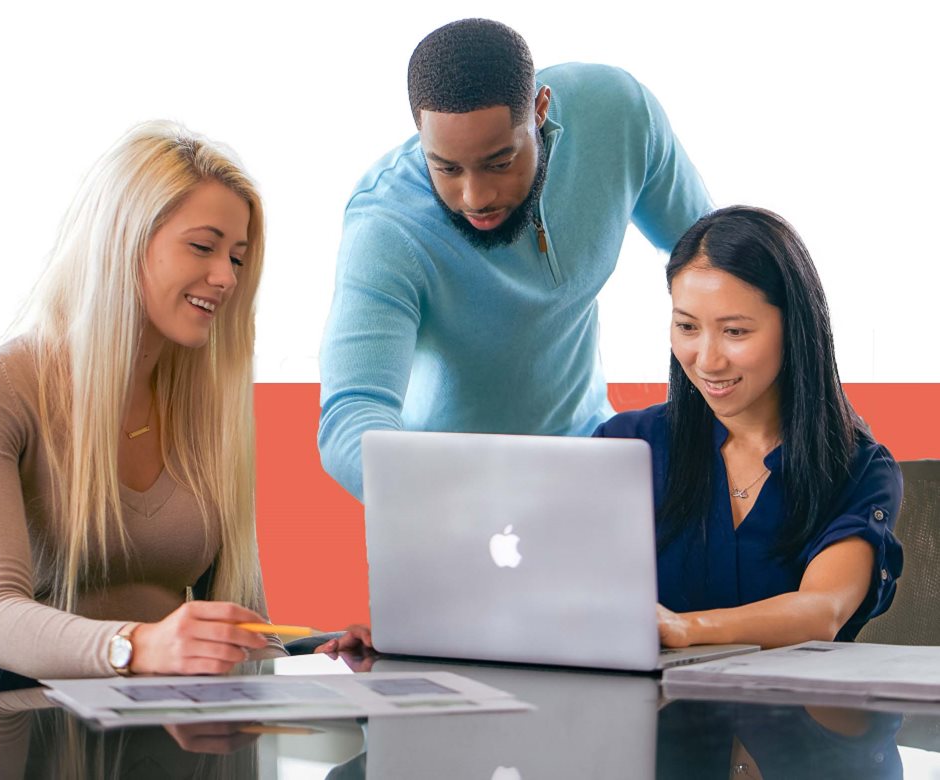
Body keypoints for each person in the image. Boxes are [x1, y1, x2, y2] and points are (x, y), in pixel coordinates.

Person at [0, 121, 284, 699]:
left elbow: (244, 619)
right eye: (203, 246)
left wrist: (312, 656)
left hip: (157, 706)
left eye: (238, 258)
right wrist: (138, 648)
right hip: (14, 703)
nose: (225, 277)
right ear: (124, 239)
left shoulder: (208, 406)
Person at [318, 18, 712, 500]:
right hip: (451, 498)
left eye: (499, 162)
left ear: (540, 110)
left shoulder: (619, 116)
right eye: (446, 167)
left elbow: (713, 258)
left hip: (592, 460)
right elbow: (351, 415)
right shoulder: (386, 228)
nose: (475, 196)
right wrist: (434, 499)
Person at [593, 206, 903, 647]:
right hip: (647, 710)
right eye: (686, 327)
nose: (707, 360)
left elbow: (823, 609)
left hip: (798, 711)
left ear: (793, 327)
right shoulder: (624, 445)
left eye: (735, 332)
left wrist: (686, 629)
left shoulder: (857, 468)